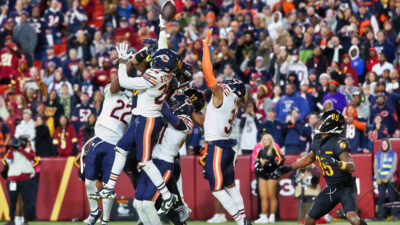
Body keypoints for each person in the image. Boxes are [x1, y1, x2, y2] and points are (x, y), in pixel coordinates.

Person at [101, 42, 179, 214]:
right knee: (120, 149)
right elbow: (162, 52)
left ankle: (167, 196)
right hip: (143, 116)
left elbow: (124, 80)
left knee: (145, 162)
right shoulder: (168, 74)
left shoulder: (155, 77)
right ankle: (109, 188)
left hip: (148, 119)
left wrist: (123, 61)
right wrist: (162, 27)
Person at [191, 29, 250, 225]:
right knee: (231, 186)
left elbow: (208, 75)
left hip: (217, 147)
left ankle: (241, 220)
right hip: (226, 147)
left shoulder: (224, 95)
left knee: (217, 188)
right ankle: (243, 218)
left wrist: (206, 48)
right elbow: (206, 123)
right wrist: (189, 111)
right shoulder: (230, 102)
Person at [275, 110, 366, 225]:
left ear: (330, 124)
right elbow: (309, 158)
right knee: (309, 219)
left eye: (322, 120)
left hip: (346, 187)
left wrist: (336, 162)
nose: (318, 122)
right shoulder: (317, 139)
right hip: (331, 188)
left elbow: (351, 166)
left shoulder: (339, 141)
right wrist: (289, 167)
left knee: (352, 217)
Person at [133, 93, 194, 225]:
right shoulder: (168, 117)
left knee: (148, 204)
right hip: (150, 162)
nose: (172, 106)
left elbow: (177, 123)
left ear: (182, 107)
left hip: (164, 163)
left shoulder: (185, 120)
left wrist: (161, 101)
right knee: (137, 204)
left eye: (174, 104)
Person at [83, 77, 133, 225]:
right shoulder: (112, 91)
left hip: (115, 145)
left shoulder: (136, 101)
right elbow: (115, 84)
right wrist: (125, 66)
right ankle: (94, 211)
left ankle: (105, 220)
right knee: (88, 182)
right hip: (99, 139)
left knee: (108, 187)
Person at [3, 137, 37, 225]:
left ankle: (25, 220)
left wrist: (20, 150)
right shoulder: (10, 152)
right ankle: (12, 220)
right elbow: (8, 160)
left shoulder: (28, 151)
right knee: (12, 201)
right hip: (13, 180)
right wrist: (11, 148)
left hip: (25, 179)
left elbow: (31, 158)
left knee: (26, 201)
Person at [253, 134, 283, 224]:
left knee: (272, 195)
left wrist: (270, 163)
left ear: (271, 141)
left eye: (268, 139)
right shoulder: (260, 151)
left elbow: (281, 159)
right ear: (262, 141)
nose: (266, 140)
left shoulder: (274, 149)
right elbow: (256, 160)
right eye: (264, 139)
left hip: (271, 174)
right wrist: (260, 162)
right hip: (262, 174)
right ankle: (263, 216)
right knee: (263, 196)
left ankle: (272, 216)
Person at [288, 152, 321, 221]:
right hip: (301, 196)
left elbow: (317, 175)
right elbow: (290, 176)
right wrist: (296, 167)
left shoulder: (313, 167)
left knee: (311, 218)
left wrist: (308, 167)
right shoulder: (298, 169)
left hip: (312, 196)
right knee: (302, 219)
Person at [374, 139, 398, 220]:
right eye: (383, 144)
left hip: (390, 180)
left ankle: (394, 215)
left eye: (386, 144)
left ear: (388, 145)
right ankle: (380, 216)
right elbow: (375, 167)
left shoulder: (393, 154)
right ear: (381, 145)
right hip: (381, 180)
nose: (384, 145)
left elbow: (394, 167)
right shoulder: (377, 155)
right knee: (381, 198)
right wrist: (377, 178)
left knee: (392, 197)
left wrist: (387, 178)